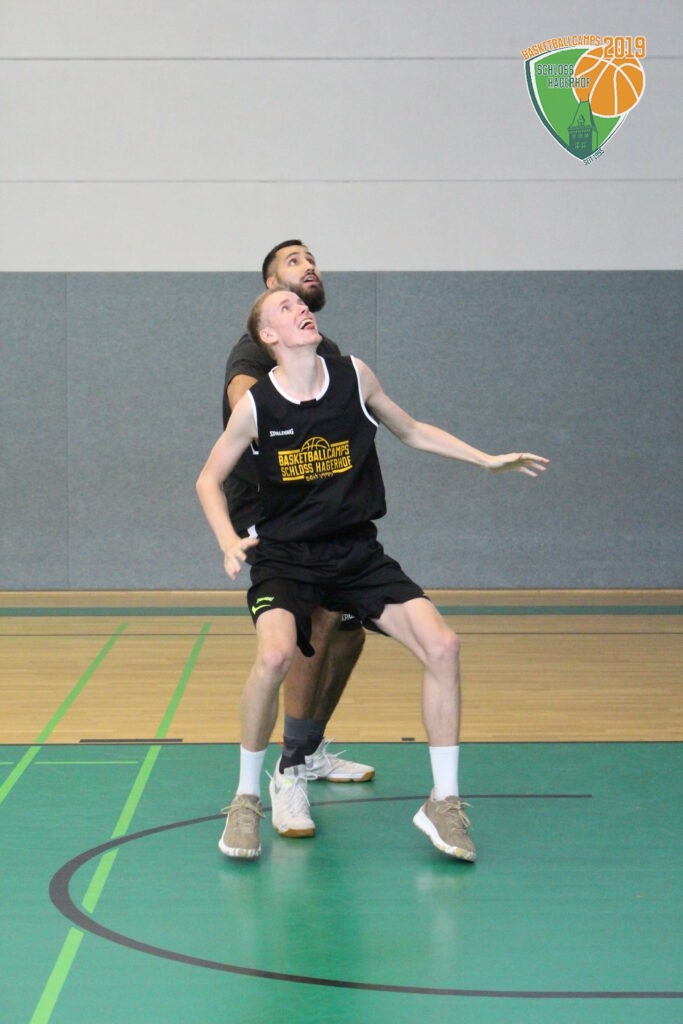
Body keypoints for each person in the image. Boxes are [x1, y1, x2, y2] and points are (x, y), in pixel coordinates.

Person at [197, 287, 548, 861]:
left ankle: (443, 802)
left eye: (300, 305)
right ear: (267, 336)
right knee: (275, 657)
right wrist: (227, 541)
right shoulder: (257, 405)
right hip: (287, 556)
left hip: (355, 552)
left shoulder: (353, 376)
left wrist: (485, 459)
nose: (300, 309)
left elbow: (412, 430)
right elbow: (208, 479)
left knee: (444, 646)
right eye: (284, 308)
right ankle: (245, 798)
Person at [222, 239, 374, 788]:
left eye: (311, 259)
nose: (308, 266)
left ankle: (308, 748)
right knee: (315, 623)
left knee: (350, 630)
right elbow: (244, 398)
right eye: (293, 262)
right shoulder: (254, 351)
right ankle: (289, 764)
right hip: (271, 511)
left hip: (325, 508)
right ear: (270, 287)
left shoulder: (325, 349)